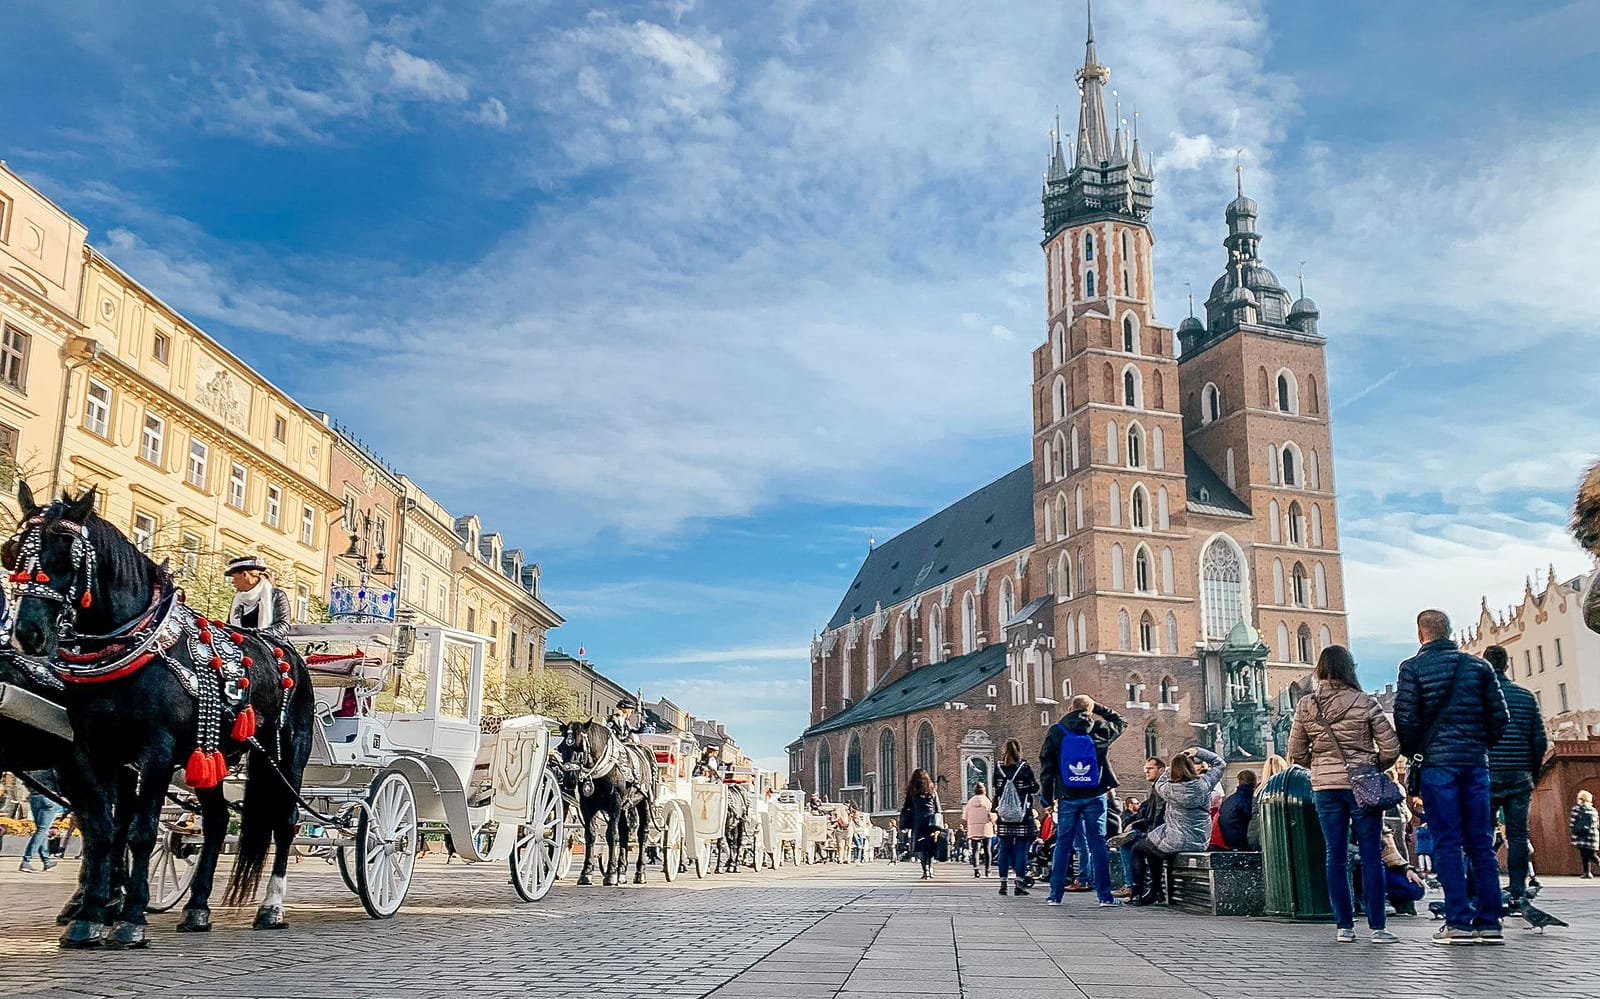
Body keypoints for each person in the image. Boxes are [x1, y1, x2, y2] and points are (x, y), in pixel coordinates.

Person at [1393, 609, 1509, 945]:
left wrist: (1419, 751)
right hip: (1475, 764)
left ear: (1421, 634)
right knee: (1481, 843)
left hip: (1438, 766)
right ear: (1450, 631)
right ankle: (1490, 922)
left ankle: (1458, 921)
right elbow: (1500, 717)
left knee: (1447, 843)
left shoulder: (1412, 668)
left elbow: (1406, 720)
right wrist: (1478, 744)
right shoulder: (1479, 666)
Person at [1288, 645, 1403, 944]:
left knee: (1335, 855)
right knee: (1371, 856)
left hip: (1326, 788)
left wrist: (1320, 766)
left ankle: (1344, 927)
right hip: (1361, 786)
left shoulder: (1306, 705)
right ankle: (1378, 928)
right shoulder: (1365, 702)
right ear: (1349, 668)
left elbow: (1295, 752)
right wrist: (1371, 764)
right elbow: (1391, 747)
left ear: (1320, 670)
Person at [1040, 694, 1127, 908]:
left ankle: (1055, 895)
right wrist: (1097, 708)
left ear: (1070, 708)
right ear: (1090, 710)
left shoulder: (1057, 731)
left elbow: (1047, 766)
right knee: (1097, 843)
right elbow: (1121, 722)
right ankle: (1105, 897)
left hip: (1067, 794)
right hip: (1094, 794)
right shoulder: (1098, 728)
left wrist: (1047, 797)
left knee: (1063, 843)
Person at [1482, 644, 1546, 910]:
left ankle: (1485, 890)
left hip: (1487, 774)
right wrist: (1532, 771)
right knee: (1518, 835)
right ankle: (1518, 891)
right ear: (1507, 666)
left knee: (1482, 834)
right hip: (1520, 776)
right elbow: (1540, 740)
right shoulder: (1526, 696)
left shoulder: (1479, 699)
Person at [1130, 747, 1225, 906]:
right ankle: (1155, 891)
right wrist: (1197, 752)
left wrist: (1170, 767)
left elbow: (1159, 779)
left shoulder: (1167, 789)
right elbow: (1220, 763)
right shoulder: (1204, 784)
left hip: (1174, 841)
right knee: (1151, 847)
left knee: (1139, 848)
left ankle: (1137, 893)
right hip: (1200, 840)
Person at [1112, 758, 1167, 899]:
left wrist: (1139, 826)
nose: (1146, 772)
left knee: (1134, 845)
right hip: (1158, 831)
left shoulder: (1162, 788)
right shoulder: (1157, 787)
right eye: (1145, 769)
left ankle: (1133, 888)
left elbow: (1158, 817)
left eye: (1150, 769)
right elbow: (1151, 816)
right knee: (1130, 841)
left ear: (1161, 770)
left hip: (1162, 833)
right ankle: (1137, 888)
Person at [993, 738, 1039, 896]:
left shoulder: (998, 768)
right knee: (1021, 850)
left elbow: (997, 790)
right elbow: (1034, 787)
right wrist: (1022, 789)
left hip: (1004, 815)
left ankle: (1003, 884)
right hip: (1022, 815)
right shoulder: (1024, 767)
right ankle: (1019, 884)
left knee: (1004, 849)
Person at [224, 555, 292, 639]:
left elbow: (283, 626)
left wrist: (258, 634)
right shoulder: (237, 600)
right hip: (242, 643)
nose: (233, 582)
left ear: (245, 575)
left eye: (234, 577)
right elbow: (230, 626)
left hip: (270, 645)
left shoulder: (276, 596)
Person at [898, 768, 943, 880]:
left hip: (917, 822)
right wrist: (939, 822)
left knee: (921, 846)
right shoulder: (932, 790)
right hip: (931, 821)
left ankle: (925, 870)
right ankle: (931, 868)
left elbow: (906, 807)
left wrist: (906, 822)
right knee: (931, 846)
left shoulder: (912, 791)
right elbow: (938, 808)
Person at [18, 771, 63, 873]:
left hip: (35, 798)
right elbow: (59, 780)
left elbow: (25, 781)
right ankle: (26, 860)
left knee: (41, 831)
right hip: (49, 797)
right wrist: (61, 795)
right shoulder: (50, 768)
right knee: (42, 831)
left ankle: (46, 861)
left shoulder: (31, 767)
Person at [1217, 770, 1258, 852]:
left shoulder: (1230, 799)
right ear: (1254, 781)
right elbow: (1253, 818)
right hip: (1242, 841)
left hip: (1228, 840)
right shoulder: (1248, 798)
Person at [963, 782, 995, 878]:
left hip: (973, 828)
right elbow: (991, 815)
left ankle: (976, 870)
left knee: (975, 850)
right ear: (984, 791)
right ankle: (988, 870)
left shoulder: (970, 802)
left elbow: (965, 816)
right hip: (986, 827)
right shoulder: (987, 801)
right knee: (987, 850)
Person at [1572, 790, 1599, 878]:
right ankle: (1586, 873)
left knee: (1587, 855)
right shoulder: (1593, 810)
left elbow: (1572, 823)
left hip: (1582, 836)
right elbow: (1597, 824)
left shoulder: (1576, 809)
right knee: (1589, 854)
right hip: (1593, 837)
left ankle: (1586, 872)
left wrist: (1574, 835)